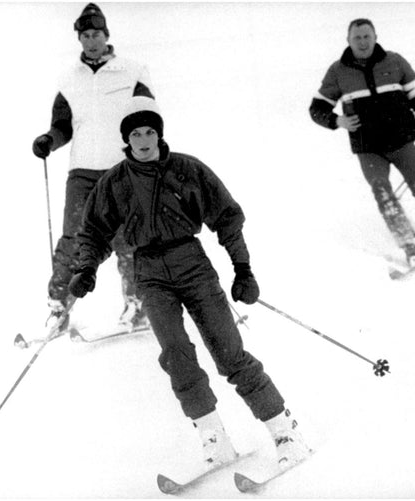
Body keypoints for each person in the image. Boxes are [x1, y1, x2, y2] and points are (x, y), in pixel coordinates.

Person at [67, 96, 312, 468]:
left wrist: (243, 269)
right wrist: (85, 269)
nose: (144, 139)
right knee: (176, 355)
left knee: (229, 353)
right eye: (136, 133)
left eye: (150, 131)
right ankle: (214, 438)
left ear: (160, 134)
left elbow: (227, 217)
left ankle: (284, 431)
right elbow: (93, 232)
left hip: (192, 265)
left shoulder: (187, 169)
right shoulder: (113, 182)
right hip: (148, 273)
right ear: (127, 139)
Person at [32, 3, 154, 331]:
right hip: (83, 171)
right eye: (85, 35)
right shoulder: (69, 80)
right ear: (79, 39)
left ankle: (137, 303)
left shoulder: (132, 71)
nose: (91, 41)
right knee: (75, 239)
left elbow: (147, 116)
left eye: (96, 34)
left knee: (129, 238)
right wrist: (49, 140)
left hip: (122, 170)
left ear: (106, 35)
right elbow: (62, 126)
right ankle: (59, 308)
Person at [309, 18, 415, 266]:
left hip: (402, 142)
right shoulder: (338, 71)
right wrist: (337, 121)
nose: (362, 42)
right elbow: (317, 108)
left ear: (375, 37)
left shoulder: (394, 62)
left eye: (366, 36)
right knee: (383, 194)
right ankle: (412, 248)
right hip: (368, 148)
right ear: (348, 40)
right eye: (357, 38)